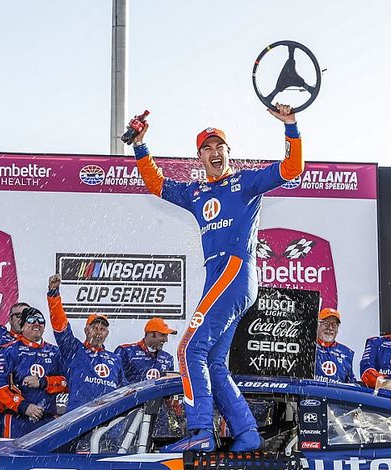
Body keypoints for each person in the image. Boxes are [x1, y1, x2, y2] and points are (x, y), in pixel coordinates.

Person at [131, 103, 304, 452]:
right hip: (220, 279)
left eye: (218, 146)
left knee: (187, 349)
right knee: (211, 361)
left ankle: (200, 433)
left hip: (235, 272)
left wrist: (291, 126)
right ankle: (247, 432)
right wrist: (140, 146)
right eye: (206, 148)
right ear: (199, 157)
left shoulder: (245, 182)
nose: (213, 152)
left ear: (229, 152)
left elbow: (292, 168)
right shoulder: (196, 193)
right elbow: (156, 184)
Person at [47, 274, 123, 411]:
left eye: (102, 329)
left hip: (108, 420)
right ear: (86, 330)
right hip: (79, 418)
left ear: (107, 333)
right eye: (94, 328)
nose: (98, 332)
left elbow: (125, 389)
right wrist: (54, 295)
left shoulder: (115, 359)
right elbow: (60, 325)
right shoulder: (74, 350)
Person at [0, 305, 66, 436]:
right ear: (22, 325)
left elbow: (67, 383)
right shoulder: (8, 350)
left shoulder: (55, 352)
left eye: (40, 320)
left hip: (47, 420)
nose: (36, 323)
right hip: (17, 420)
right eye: (31, 320)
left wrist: (44, 382)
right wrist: (24, 407)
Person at [115, 318, 178, 384]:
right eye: (162, 335)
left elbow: (169, 386)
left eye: (166, 336)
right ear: (151, 334)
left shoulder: (168, 358)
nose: (166, 340)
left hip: (159, 394)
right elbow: (116, 380)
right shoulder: (126, 351)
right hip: (132, 394)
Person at [315, 308, 357, 383]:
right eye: (326, 323)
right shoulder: (307, 347)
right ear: (318, 325)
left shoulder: (346, 353)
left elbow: (351, 383)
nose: (330, 328)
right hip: (310, 393)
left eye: (334, 325)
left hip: (336, 394)